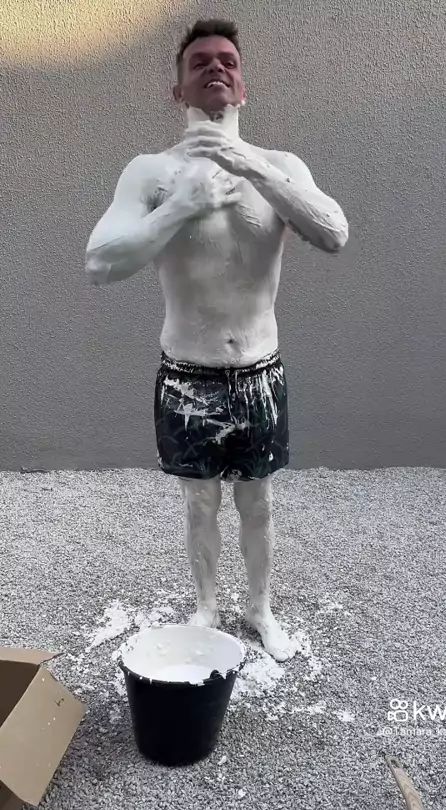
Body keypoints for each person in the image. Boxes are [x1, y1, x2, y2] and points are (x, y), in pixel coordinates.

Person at [85, 19, 348, 661]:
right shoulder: (152, 173)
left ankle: (259, 609)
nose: (216, 67)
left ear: (243, 87)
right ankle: (206, 607)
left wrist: (249, 165)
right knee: (200, 504)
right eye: (199, 61)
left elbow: (333, 233)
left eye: (227, 60)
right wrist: (181, 206)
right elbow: (100, 262)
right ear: (177, 91)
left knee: (257, 502)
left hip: (259, 369)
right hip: (188, 374)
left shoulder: (279, 167)